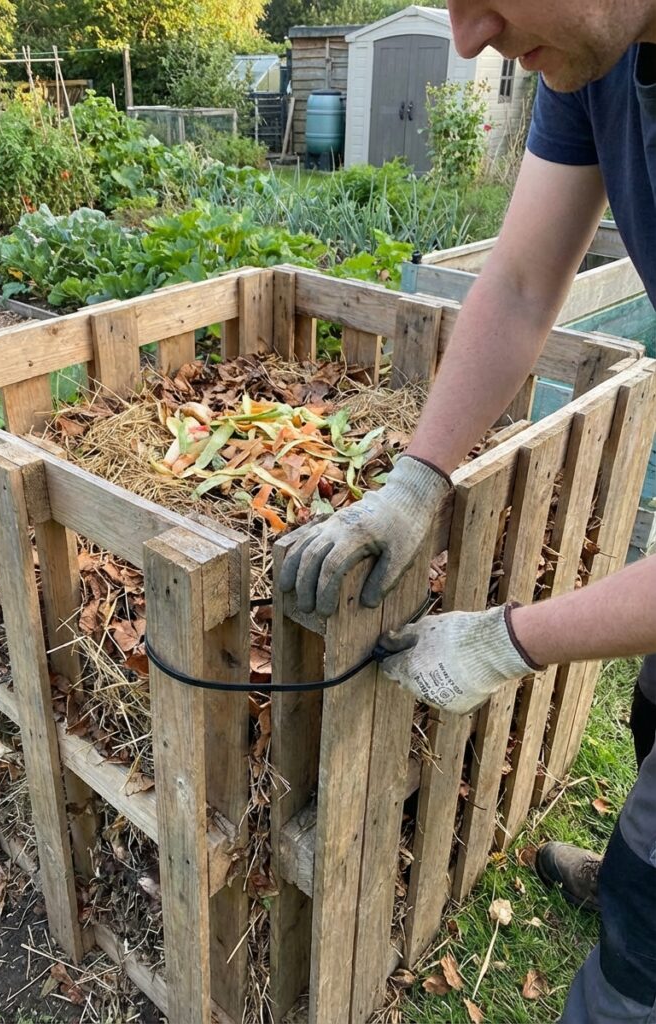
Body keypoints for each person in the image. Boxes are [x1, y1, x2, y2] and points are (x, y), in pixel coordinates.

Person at [280, 3, 656, 1021]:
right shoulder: (595, 53)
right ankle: (629, 860)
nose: (467, 36)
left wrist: (505, 641)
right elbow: (529, 282)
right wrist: (414, 480)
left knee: (643, 957)